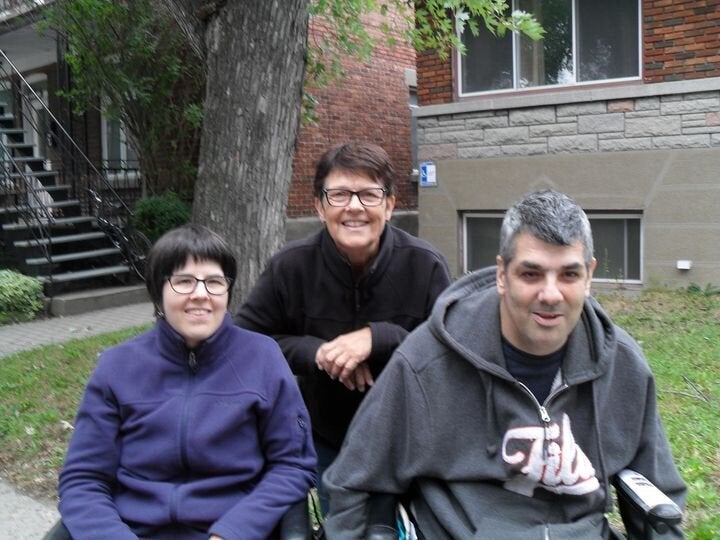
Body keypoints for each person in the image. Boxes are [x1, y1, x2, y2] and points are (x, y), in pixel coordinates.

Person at [323, 190, 686, 538]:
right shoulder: (426, 362)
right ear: (501, 275)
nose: (550, 294)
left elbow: (659, 498)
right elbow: (354, 480)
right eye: (531, 274)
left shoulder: (622, 365)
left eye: (569, 274)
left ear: (589, 276)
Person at [54, 224, 316, 540]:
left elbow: (293, 466)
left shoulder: (263, 358)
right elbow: (83, 479)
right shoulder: (117, 367)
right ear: (158, 292)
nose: (201, 294)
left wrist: (233, 532)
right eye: (184, 282)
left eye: (215, 282)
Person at [235, 142, 452, 511]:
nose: (354, 206)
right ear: (320, 206)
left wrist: (380, 338)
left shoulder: (426, 265)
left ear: (390, 205)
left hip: (408, 441)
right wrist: (320, 353)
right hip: (322, 436)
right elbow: (244, 342)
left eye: (369, 194)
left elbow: (452, 354)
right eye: (339, 194)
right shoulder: (291, 266)